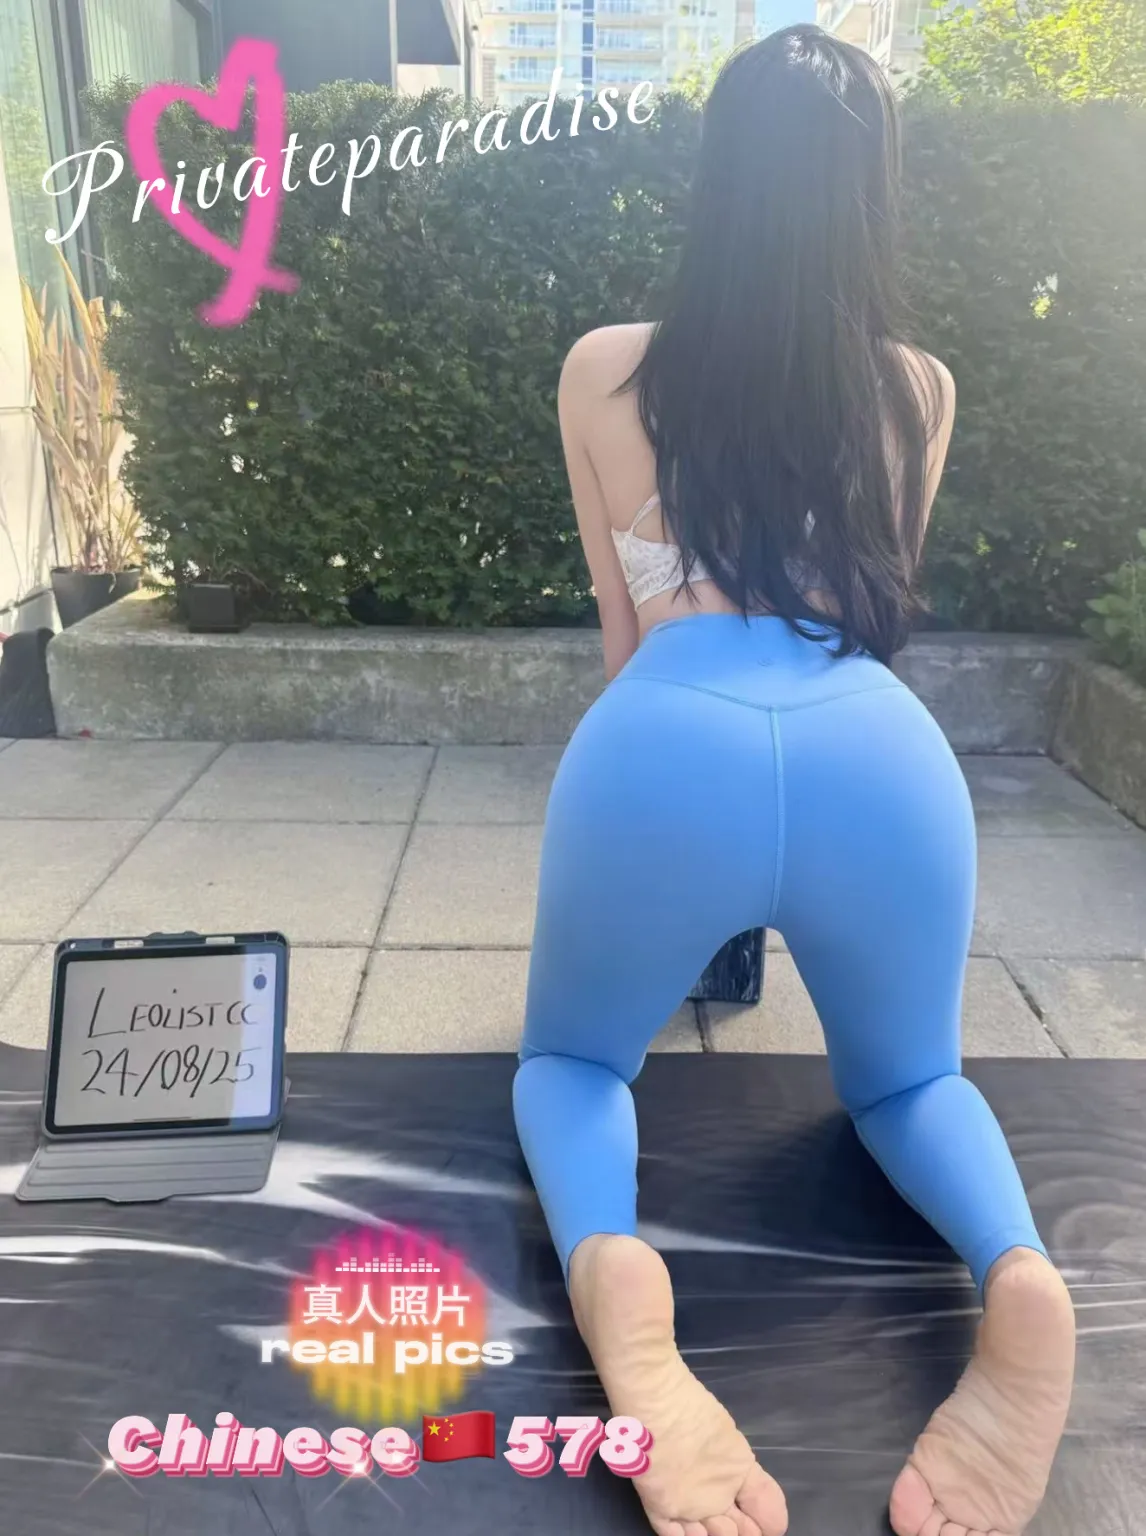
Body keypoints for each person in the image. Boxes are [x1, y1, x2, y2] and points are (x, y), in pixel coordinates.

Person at [512, 24, 1077, 1536]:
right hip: (875, 755)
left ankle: (618, 1275)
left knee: (573, 1066)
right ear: (868, 191)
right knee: (909, 1078)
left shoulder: (603, 370)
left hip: (664, 746)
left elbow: (626, 637)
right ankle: (1018, 1268)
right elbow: (870, 609)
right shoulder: (918, 390)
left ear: (718, 178)